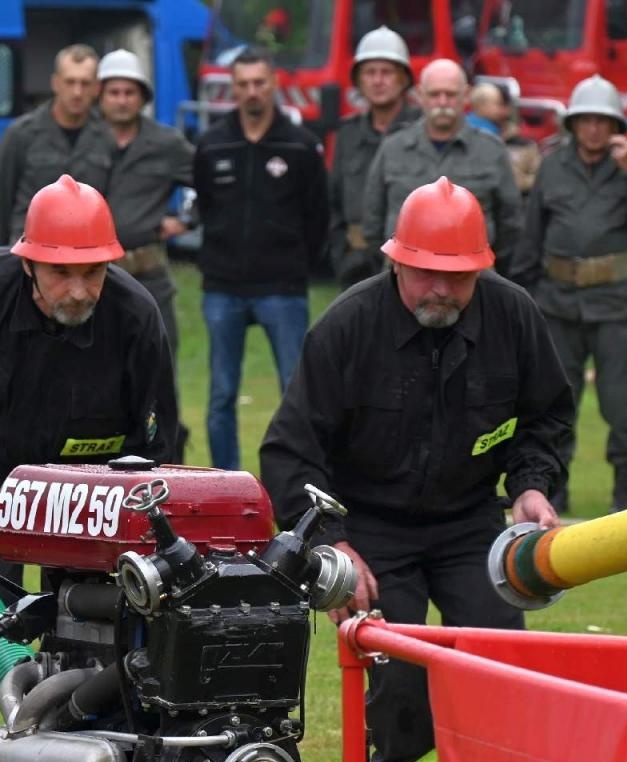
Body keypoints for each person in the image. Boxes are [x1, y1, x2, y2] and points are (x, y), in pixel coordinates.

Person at [260, 177, 572, 762]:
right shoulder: (347, 327)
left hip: (468, 522)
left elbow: (547, 418)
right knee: (399, 676)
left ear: (482, 269)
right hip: (367, 527)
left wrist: (533, 488)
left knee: (498, 659)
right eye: (427, 273)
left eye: (458, 277)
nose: (442, 290)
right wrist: (332, 551)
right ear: (396, 261)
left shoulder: (513, 317)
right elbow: (290, 452)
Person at [0, 174, 178, 762]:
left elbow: (159, 435)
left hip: (97, 480)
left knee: (97, 618)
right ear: (28, 265)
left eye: (92, 274)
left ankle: (84, 756)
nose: (78, 291)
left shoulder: (136, 318)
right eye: (60, 274)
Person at [523, 75, 627, 514]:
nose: (593, 130)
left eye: (602, 121)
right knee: (556, 400)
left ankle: (624, 490)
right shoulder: (552, 165)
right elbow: (532, 235)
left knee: (621, 402)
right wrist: (526, 296)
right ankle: (557, 487)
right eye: (585, 121)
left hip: (614, 304)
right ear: (573, 125)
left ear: (616, 126)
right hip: (557, 302)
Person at [192, 47, 328, 470]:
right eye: (243, 84)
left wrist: (296, 263)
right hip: (223, 287)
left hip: (282, 287)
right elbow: (205, 207)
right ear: (233, 88)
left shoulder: (301, 146)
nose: (252, 91)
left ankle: (293, 480)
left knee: (296, 392)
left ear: (273, 84)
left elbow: (317, 216)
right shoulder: (212, 144)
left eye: (259, 82)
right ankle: (225, 487)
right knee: (221, 395)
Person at [363, 59, 523, 281]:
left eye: (450, 94)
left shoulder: (491, 150)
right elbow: (372, 223)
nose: (442, 101)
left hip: (474, 282)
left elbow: (510, 223)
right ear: (420, 95)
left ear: (466, 95)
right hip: (403, 285)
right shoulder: (393, 149)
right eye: (434, 94)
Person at [95, 50, 195, 365]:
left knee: (158, 360)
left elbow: (207, 181)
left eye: (130, 92)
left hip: (147, 274)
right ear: (101, 96)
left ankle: (163, 418)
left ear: (143, 98)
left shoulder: (167, 143)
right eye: (114, 92)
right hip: (89, 275)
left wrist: (187, 220)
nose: (122, 100)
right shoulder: (82, 140)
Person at [0, 44, 112, 247]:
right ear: (55, 83)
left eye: (85, 83)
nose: (77, 92)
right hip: (30, 251)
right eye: (70, 82)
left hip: (86, 252)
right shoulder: (21, 134)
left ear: (96, 88)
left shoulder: (107, 137)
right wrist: (1, 257)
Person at [328, 27, 418, 290]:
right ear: (358, 80)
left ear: (403, 79)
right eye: (370, 72)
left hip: (412, 265)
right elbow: (333, 202)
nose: (378, 81)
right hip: (356, 265)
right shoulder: (347, 134)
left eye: (387, 72)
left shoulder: (420, 132)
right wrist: (341, 255)